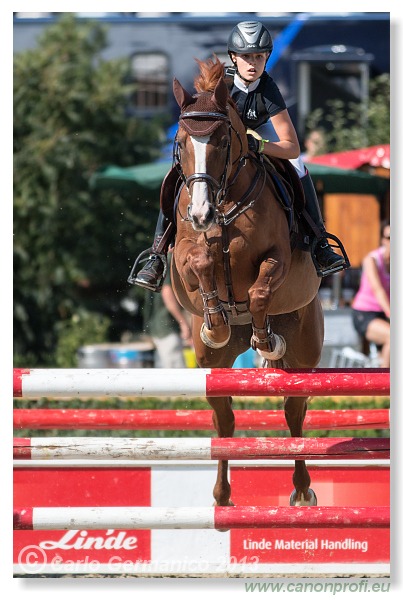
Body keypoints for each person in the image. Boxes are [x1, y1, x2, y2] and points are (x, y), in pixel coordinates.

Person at [131, 20, 348, 293]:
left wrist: (256, 147)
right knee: (177, 172)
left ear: (267, 57)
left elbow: (291, 146)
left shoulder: (268, 89)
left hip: (257, 136)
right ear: (234, 57)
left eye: (259, 56)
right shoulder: (222, 85)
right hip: (222, 141)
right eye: (246, 56)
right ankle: (157, 255)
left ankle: (320, 243)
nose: (253, 63)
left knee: (298, 164)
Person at [351, 220, 390, 368]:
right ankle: (386, 388)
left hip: (383, 315)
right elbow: (378, 290)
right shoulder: (371, 260)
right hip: (364, 314)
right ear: (382, 240)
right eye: (389, 238)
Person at [143, 252, 192, 368]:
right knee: (177, 377)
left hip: (158, 326)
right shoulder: (170, 259)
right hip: (167, 327)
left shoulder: (157, 257)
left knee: (165, 371)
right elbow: (167, 293)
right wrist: (183, 323)